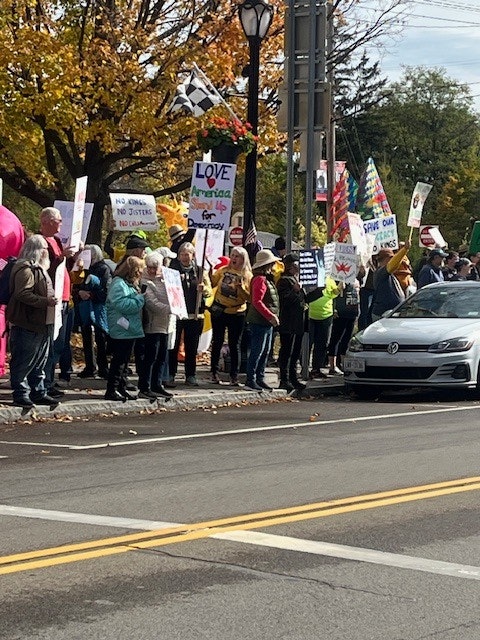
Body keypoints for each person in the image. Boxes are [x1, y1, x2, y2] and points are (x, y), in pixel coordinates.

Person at [6, 234, 58, 408]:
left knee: (39, 361)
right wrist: (46, 301)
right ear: (37, 250)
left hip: (42, 322)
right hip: (27, 322)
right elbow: (22, 293)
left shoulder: (39, 268)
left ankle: (38, 392)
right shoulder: (26, 269)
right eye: (45, 248)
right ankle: (21, 394)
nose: (47, 252)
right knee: (24, 360)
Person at [40, 206, 77, 399]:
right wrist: (61, 257)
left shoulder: (56, 241)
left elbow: (64, 268)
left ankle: (48, 381)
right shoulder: (41, 242)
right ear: (46, 221)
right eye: (58, 220)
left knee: (60, 343)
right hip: (53, 298)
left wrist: (73, 257)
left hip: (64, 297)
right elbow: (44, 270)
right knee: (51, 342)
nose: (61, 223)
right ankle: (43, 383)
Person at [169, 242, 212, 386]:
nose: (184, 257)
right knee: (174, 345)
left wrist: (203, 288)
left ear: (193, 255)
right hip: (177, 313)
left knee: (191, 346)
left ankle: (190, 375)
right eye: (182, 254)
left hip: (195, 314)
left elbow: (209, 291)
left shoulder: (200, 271)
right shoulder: (173, 270)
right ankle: (171, 373)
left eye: (187, 254)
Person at [209, 247, 252, 386]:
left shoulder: (247, 275)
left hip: (237, 312)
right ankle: (214, 373)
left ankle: (234, 376)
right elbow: (212, 282)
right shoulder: (223, 270)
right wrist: (209, 272)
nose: (234, 258)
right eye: (232, 255)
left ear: (243, 259)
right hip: (220, 309)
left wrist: (241, 288)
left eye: (237, 256)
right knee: (217, 341)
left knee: (234, 344)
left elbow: (249, 298)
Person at [105, 256, 145, 401]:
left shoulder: (127, 284)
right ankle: (112, 389)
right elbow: (122, 305)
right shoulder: (118, 284)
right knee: (119, 360)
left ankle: (121, 387)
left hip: (128, 327)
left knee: (124, 360)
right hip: (121, 326)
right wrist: (140, 299)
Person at [136, 251, 175, 399]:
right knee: (150, 357)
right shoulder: (145, 281)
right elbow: (151, 303)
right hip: (152, 324)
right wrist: (172, 309)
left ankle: (157, 384)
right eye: (150, 267)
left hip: (166, 324)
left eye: (155, 267)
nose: (152, 270)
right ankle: (145, 386)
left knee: (162, 356)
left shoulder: (167, 278)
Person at [245, 249, 280, 391]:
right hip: (260, 321)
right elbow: (257, 301)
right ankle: (251, 379)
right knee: (257, 351)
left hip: (265, 321)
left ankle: (259, 378)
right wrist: (270, 315)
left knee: (265, 351)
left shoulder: (265, 279)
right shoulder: (260, 279)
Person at [77, 245, 112, 378]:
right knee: (86, 337)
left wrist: (91, 295)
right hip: (85, 307)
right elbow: (76, 285)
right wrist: (80, 292)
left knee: (101, 337)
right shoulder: (83, 269)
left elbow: (106, 290)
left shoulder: (104, 269)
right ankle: (90, 366)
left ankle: (103, 367)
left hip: (99, 307)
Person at [276, 253, 307, 391]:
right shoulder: (284, 281)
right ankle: (285, 378)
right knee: (287, 351)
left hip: (298, 322)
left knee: (295, 352)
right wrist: (296, 291)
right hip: (288, 321)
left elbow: (304, 299)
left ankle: (293, 378)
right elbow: (285, 300)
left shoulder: (296, 280)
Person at [307, 276, 342, 379]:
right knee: (307, 343)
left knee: (322, 344)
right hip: (310, 315)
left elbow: (333, 294)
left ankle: (316, 369)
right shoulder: (311, 277)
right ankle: (304, 367)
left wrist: (339, 288)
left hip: (326, 315)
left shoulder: (330, 279)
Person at [371, 241, 410, 321]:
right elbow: (393, 264)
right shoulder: (381, 272)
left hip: (389, 313)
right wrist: (405, 249)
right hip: (384, 314)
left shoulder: (385, 273)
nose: (393, 260)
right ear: (386, 259)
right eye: (391, 258)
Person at [327, 279, 360, 375]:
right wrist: (334, 309)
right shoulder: (339, 280)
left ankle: (344, 364)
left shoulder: (356, 281)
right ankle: (332, 366)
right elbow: (333, 294)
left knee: (346, 340)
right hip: (341, 313)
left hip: (352, 313)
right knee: (336, 339)